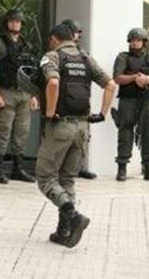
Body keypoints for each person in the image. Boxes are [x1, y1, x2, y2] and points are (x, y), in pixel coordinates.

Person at [35, 24, 116, 248]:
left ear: (54, 38)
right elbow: (110, 84)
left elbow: (52, 82)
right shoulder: (86, 59)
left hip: (60, 126)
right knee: (67, 179)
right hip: (82, 127)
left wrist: (50, 112)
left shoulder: (52, 56)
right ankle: (64, 231)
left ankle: (73, 216)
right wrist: (102, 113)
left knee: (46, 177)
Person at [0, 9, 39, 184]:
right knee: (3, 131)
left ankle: (18, 168)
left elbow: (31, 72)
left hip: (24, 93)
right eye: (12, 21)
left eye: (18, 21)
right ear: (6, 22)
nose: (15, 24)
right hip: (5, 91)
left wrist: (33, 95)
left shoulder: (26, 45)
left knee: (22, 131)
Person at [112, 27, 149, 183]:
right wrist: (135, 77)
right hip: (128, 99)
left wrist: (148, 80)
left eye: (138, 40)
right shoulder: (123, 58)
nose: (135, 43)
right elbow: (117, 78)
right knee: (125, 131)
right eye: (132, 41)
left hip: (148, 99)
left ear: (144, 42)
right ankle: (122, 168)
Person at [59, 19, 97, 180]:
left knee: (83, 136)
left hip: (80, 99)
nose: (79, 35)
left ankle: (78, 166)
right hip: (63, 101)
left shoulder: (83, 54)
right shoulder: (57, 54)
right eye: (76, 32)